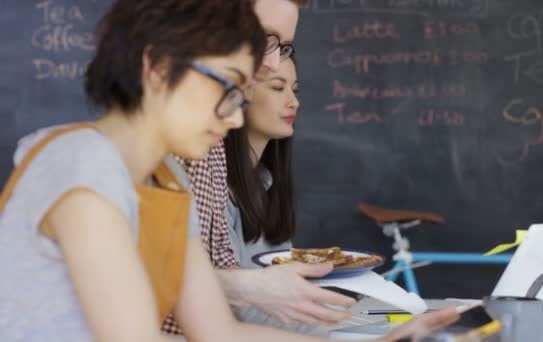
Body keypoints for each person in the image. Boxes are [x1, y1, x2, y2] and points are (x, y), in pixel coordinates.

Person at [0, 0, 460, 341]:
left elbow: (220, 332)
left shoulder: (170, 180)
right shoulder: (82, 164)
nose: (237, 118)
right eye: (230, 88)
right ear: (158, 67)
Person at [173, 0, 361, 330]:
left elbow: (216, 328)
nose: (272, 62)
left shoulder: (210, 159)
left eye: (283, 46)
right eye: (264, 39)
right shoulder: (97, 167)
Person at [224, 53, 299, 269]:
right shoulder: (217, 191)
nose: (294, 102)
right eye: (277, 88)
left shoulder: (268, 181)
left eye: (295, 90)